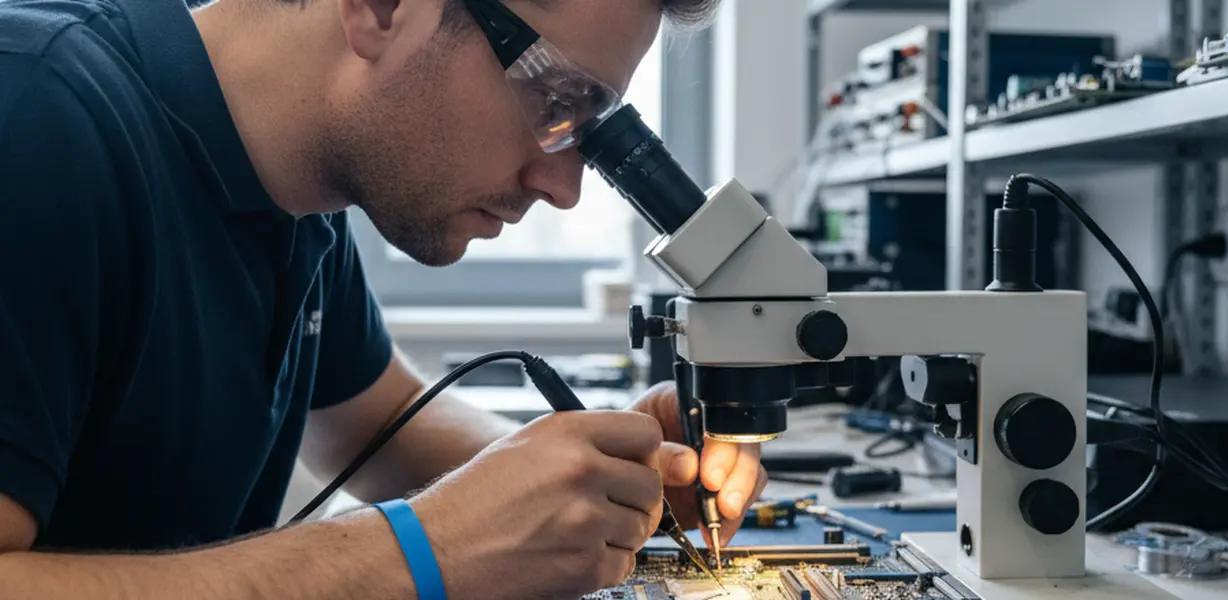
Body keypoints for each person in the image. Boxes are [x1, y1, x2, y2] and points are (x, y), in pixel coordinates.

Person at [0, 0, 767, 597]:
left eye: (587, 133)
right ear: (382, 7)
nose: (563, 187)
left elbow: (382, 422)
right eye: (554, 100)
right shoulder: (35, 121)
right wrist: (420, 553)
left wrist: (604, 473)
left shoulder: (302, 199)